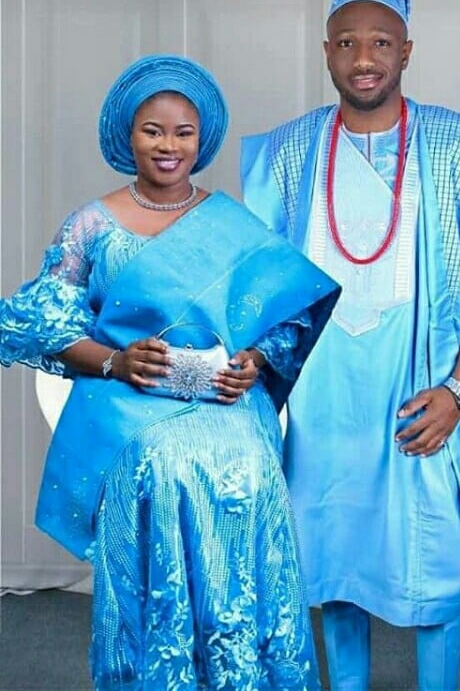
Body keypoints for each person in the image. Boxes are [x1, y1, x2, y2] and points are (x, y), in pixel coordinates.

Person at [241, 0, 460, 689]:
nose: (363, 57)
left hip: (420, 393)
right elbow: (264, 284)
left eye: (379, 41)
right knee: (333, 565)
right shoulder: (285, 153)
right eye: (346, 42)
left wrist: (459, 391)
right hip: (322, 403)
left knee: (434, 569)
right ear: (326, 53)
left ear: (406, 49)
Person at [0, 54, 340, 690]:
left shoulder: (232, 224)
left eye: (183, 132)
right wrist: (116, 359)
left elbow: (286, 316)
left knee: (249, 461)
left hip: (227, 402)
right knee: (166, 463)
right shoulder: (92, 225)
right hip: (130, 406)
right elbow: (39, 325)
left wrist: (255, 362)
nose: (168, 145)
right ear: (128, 136)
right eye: (152, 130)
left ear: (200, 140)